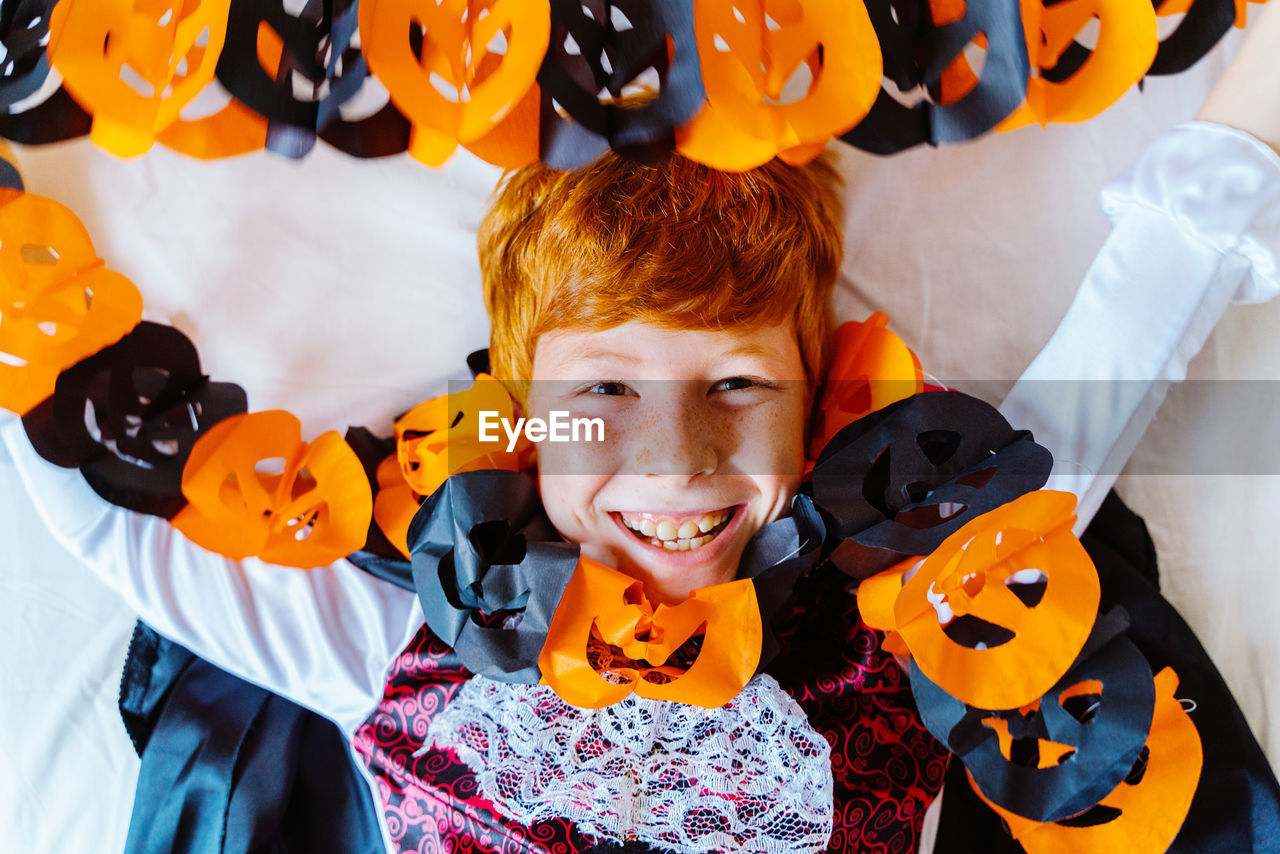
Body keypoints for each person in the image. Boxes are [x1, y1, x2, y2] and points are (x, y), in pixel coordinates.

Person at [6, 7, 1280, 852]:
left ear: (818, 392)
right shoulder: (394, 643)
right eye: (601, 392)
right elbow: (100, 499)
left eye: (735, 386)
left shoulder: (930, 596)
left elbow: (1148, 304)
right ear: (519, 413)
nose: (675, 457)